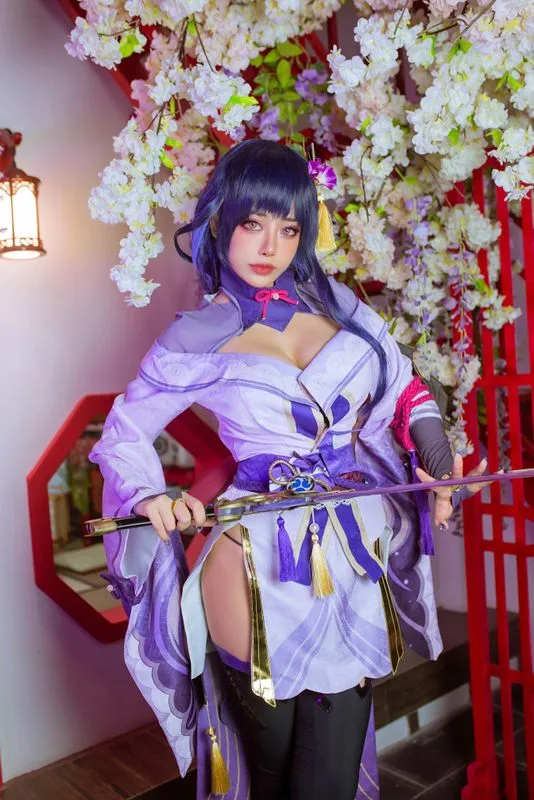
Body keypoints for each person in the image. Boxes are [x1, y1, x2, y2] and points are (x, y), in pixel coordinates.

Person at [89, 139, 488, 800]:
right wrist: (150, 494)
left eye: (289, 227)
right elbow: (124, 434)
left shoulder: (344, 309)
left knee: (327, 781)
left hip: (350, 556)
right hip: (253, 562)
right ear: (221, 221)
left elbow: (406, 393)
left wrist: (438, 464)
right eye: (253, 223)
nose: (270, 246)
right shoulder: (194, 337)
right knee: (272, 782)